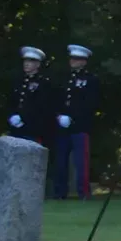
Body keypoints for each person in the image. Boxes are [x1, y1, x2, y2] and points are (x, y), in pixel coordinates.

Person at [52, 45, 101, 200]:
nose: (73, 61)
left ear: (84, 62)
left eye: (77, 59)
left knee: (82, 162)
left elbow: (90, 104)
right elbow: (56, 99)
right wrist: (58, 115)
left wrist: (72, 118)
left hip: (80, 126)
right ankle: (60, 192)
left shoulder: (90, 80)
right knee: (60, 161)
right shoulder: (64, 79)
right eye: (72, 58)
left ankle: (83, 192)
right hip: (62, 127)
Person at [8, 46, 58, 146]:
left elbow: (42, 106)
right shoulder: (18, 81)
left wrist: (24, 119)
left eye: (30, 61)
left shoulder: (44, 83)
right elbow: (12, 101)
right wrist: (12, 115)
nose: (26, 64)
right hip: (15, 127)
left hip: (33, 129)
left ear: (38, 64)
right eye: (25, 61)